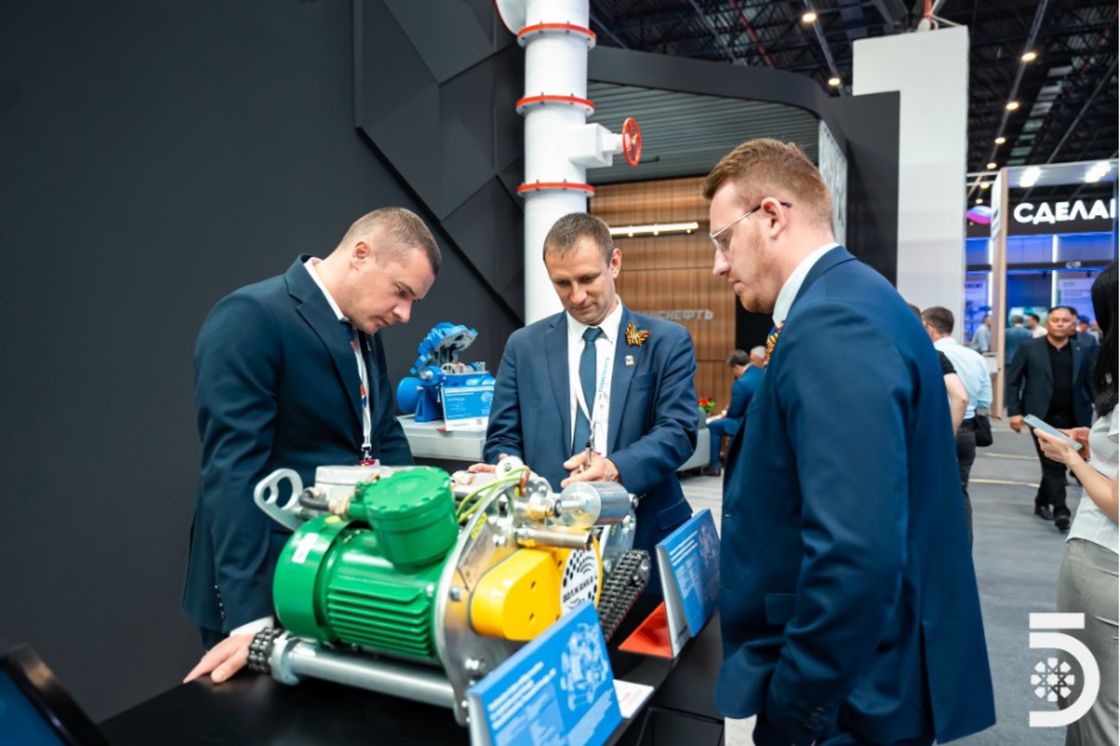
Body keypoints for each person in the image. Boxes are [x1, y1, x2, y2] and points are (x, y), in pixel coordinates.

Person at [706, 138, 994, 745]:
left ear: (771, 216)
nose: (719, 265)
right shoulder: (860, 297)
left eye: (723, 240)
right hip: (876, 672)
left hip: (854, 695)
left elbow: (854, 554)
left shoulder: (832, 321)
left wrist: (793, 714)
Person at [182, 208, 440, 684]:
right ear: (361, 255)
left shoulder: (363, 327)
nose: (405, 314)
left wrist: (420, 513)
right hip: (266, 585)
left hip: (331, 579)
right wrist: (250, 620)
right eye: (401, 292)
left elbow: (381, 432)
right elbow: (233, 473)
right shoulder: (251, 318)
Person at [481, 212, 697, 566]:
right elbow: (502, 438)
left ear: (614, 263)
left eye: (587, 279)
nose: (576, 296)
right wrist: (512, 470)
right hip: (549, 537)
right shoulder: (524, 346)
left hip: (643, 535)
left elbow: (678, 431)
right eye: (562, 283)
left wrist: (615, 467)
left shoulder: (664, 342)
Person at [1033, 263, 1117, 746]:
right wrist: (1095, 447)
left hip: (1104, 559)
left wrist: (1072, 458)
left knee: (1092, 704)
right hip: (1101, 561)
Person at [1007, 305, 1095, 531]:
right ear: (1047, 322)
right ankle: (1061, 510)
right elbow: (1013, 381)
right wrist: (1014, 412)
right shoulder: (1029, 347)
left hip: (1075, 416)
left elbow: (1090, 383)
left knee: (1062, 461)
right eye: (1055, 319)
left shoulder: (1083, 349)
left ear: (1073, 324)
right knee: (1053, 463)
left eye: (1065, 320)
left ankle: (1041, 500)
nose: (1060, 324)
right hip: (1040, 416)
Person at [922, 306, 993, 539]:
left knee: (926, 491)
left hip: (936, 431)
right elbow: (985, 400)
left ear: (928, 328)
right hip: (968, 432)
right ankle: (964, 545)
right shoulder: (975, 357)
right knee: (960, 491)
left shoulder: (928, 355)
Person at [907, 303, 969, 434]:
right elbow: (962, 398)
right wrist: (948, 437)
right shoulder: (933, 355)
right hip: (932, 430)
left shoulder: (880, 356)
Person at [704, 347, 765, 477]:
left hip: (748, 424)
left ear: (736, 367)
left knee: (713, 426)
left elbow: (734, 413)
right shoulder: (763, 373)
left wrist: (725, 413)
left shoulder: (741, 383)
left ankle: (714, 466)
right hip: (765, 421)